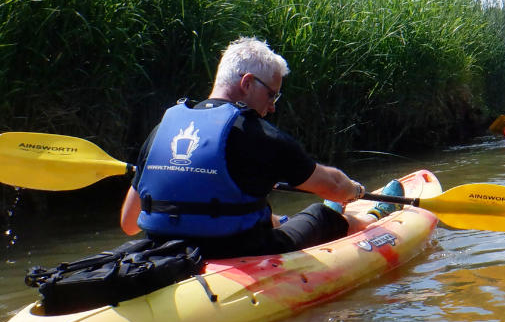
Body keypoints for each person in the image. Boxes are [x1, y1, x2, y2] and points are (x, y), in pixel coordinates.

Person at [119, 36, 402, 259]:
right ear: (247, 83)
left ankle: (297, 218)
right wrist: (354, 191)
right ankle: (371, 216)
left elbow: (129, 223)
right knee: (321, 214)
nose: (272, 106)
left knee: (264, 214)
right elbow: (333, 185)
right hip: (240, 252)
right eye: (271, 94)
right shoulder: (259, 135)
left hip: (168, 249)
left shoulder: (162, 129)